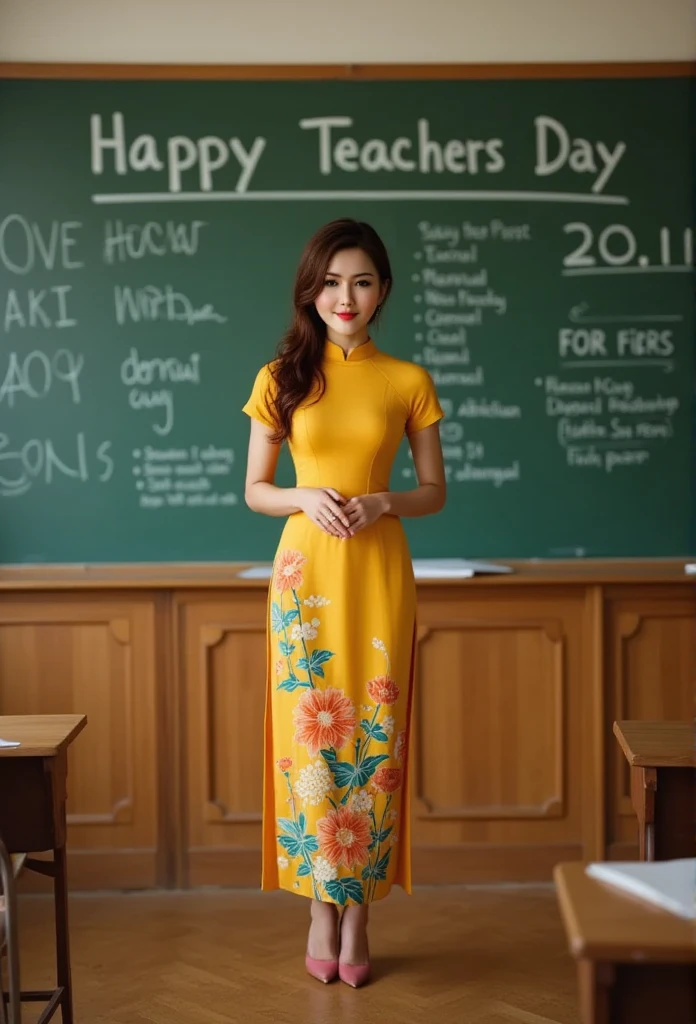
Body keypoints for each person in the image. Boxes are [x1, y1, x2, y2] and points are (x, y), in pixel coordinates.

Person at [242, 218, 446, 987]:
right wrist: (304, 494)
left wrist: (381, 503)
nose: (345, 296)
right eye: (331, 281)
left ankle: (358, 911)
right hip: (305, 576)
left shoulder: (408, 380)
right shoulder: (279, 377)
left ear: (383, 290)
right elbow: (256, 491)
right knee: (310, 742)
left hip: (379, 569)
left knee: (376, 738)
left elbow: (434, 491)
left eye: (361, 281)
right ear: (311, 290)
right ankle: (317, 906)